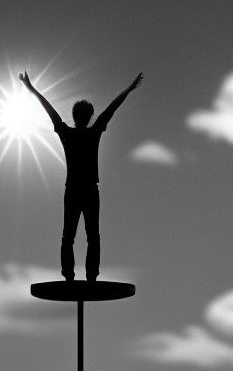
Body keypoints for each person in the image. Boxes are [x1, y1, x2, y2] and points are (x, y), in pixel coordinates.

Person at [19, 70, 143, 282]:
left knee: (73, 237)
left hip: (77, 189)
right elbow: (111, 109)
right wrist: (129, 89)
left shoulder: (70, 133)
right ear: (86, 117)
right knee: (88, 236)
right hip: (85, 189)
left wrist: (32, 90)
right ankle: (86, 277)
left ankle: (74, 276)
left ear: (77, 117)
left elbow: (51, 111)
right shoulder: (90, 133)